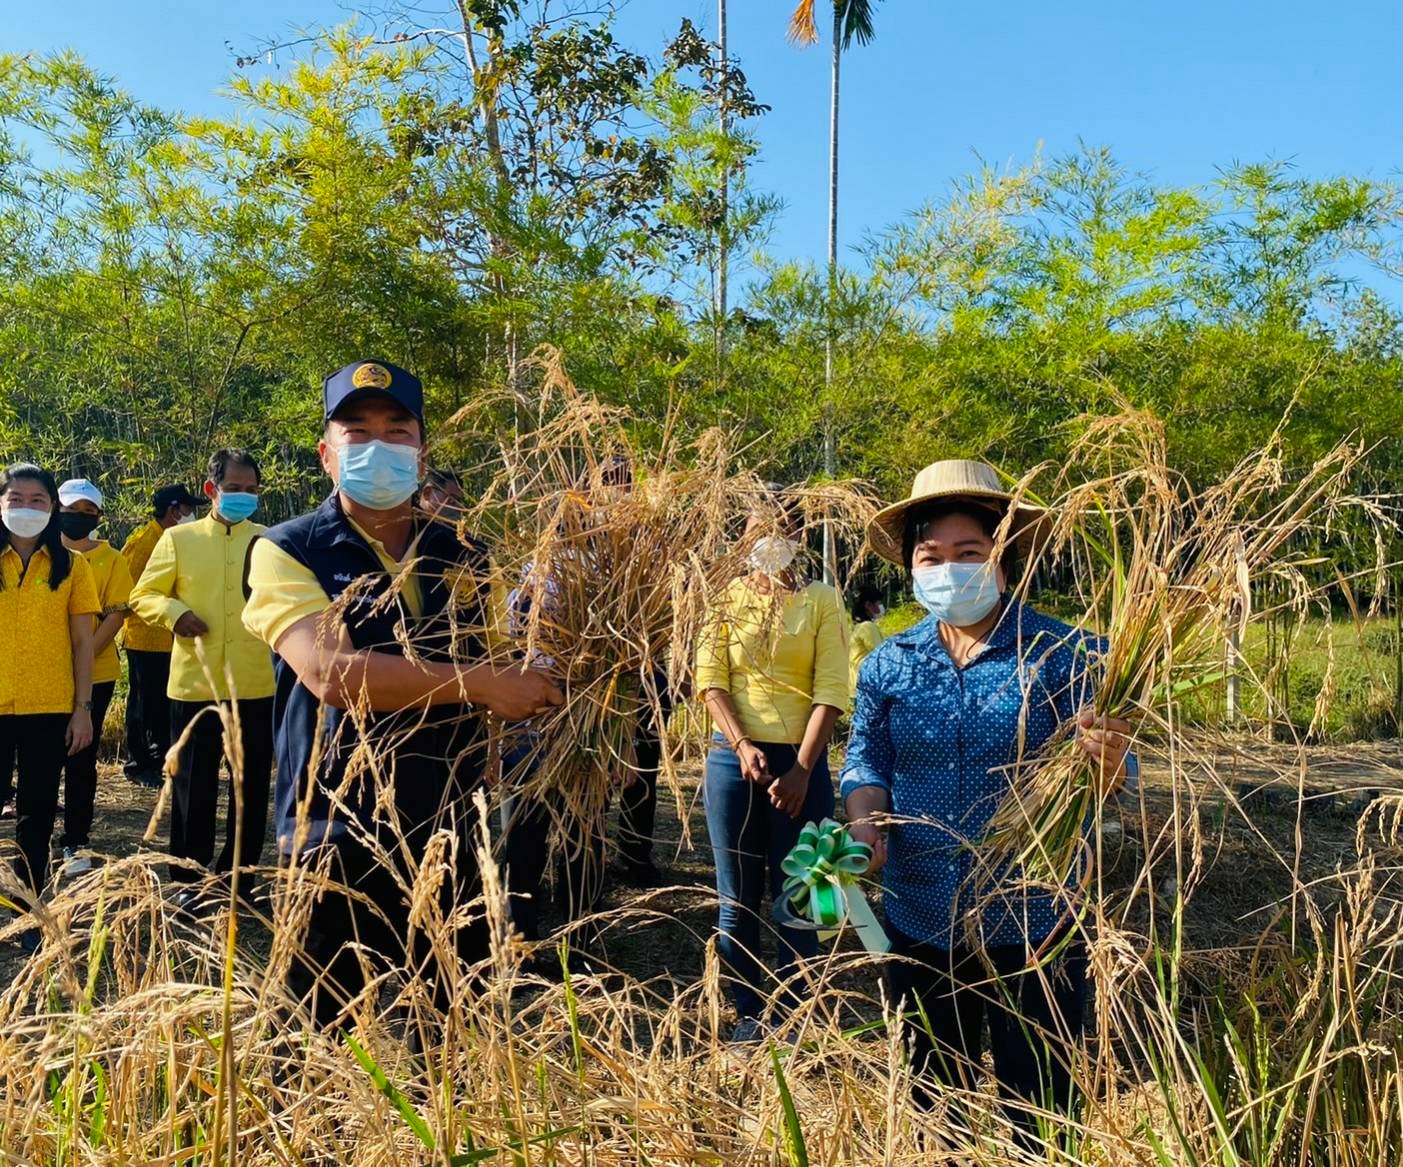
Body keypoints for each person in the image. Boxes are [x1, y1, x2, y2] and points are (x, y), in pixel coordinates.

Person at [241, 358, 562, 1030]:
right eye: (357, 432)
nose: (377, 445)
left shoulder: (465, 553)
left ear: (420, 454)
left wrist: (496, 748)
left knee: (453, 1032)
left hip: (449, 827)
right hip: (334, 827)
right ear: (327, 455)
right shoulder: (287, 550)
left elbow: (492, 658)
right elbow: (331, 673)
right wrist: (483, 687)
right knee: (312, 1037)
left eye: (396, 429)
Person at [841, 459, 1134, 1143]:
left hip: (1034, 919)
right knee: (929, 1104)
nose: (948, 568)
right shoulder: (890, 661)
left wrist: (1109, 760)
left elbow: (1115, 776)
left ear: (1004, 556)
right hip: (918, 911)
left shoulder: (1069, 654)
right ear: (911, 565)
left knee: (1039, 1110)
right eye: (930, 555)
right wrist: (864, 820)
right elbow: (865, 759)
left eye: (968, 552)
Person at [695, 490, 849, 1042]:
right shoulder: (723, 596)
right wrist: (740, 745)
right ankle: (749, 1014)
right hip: (732, 762)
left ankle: (795, 1017)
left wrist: (802, 769)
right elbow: (710, 679)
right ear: (744, 533)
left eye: (782, 525)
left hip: (800, 763)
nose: (770, 536)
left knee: (803, 894)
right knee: (736, 899)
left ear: (798, 537)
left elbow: (831, 688)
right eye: (760, 525)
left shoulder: (823, 601)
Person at [129, 450, 274, 902]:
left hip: (256, 683)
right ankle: (188, 879)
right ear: (212, 490)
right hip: (195, 683)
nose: (243, 497)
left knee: (249, 786)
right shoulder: (179, 539)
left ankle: (239, 879)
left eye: (251, 491)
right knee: (193, 784)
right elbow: (143, 594)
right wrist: (175, 613)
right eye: (234, 489)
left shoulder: (270, 540)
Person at [0, 464, 98, 923]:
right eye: (14, 499)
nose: (25, 508)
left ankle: (27, 909)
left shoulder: (72, 567)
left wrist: (82, 709)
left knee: (35, 817)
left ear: (51, 508)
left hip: (50, 707)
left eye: (36, 500)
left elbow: (83, 643)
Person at [56, 478, 134, 874]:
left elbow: (117, 613)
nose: (78, 518)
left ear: (98, 516)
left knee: (81, 757)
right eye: (72, 510)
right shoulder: (42, 553)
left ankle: (75, 840)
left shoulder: (112, 560)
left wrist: (83, 654)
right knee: (43, 756)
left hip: (97, 673)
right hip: (44, 674)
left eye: (88, 512)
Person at [120, 483, 205, 787]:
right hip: (145, 637)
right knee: (144, 704)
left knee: (162, 706)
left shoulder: (175, 539)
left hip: (169, 637)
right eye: (187, 508)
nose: (192, 514)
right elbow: (128, 594)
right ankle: (138, 764)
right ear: (173, 510)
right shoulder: (144, 542)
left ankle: (159, 762)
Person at [847, 583, 886, 695]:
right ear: (868, 605)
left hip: (857, 687)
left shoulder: (858, 627)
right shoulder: (867, 627)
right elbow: (880, 656)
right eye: (878, 603)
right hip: (867, 689)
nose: (881, 606)